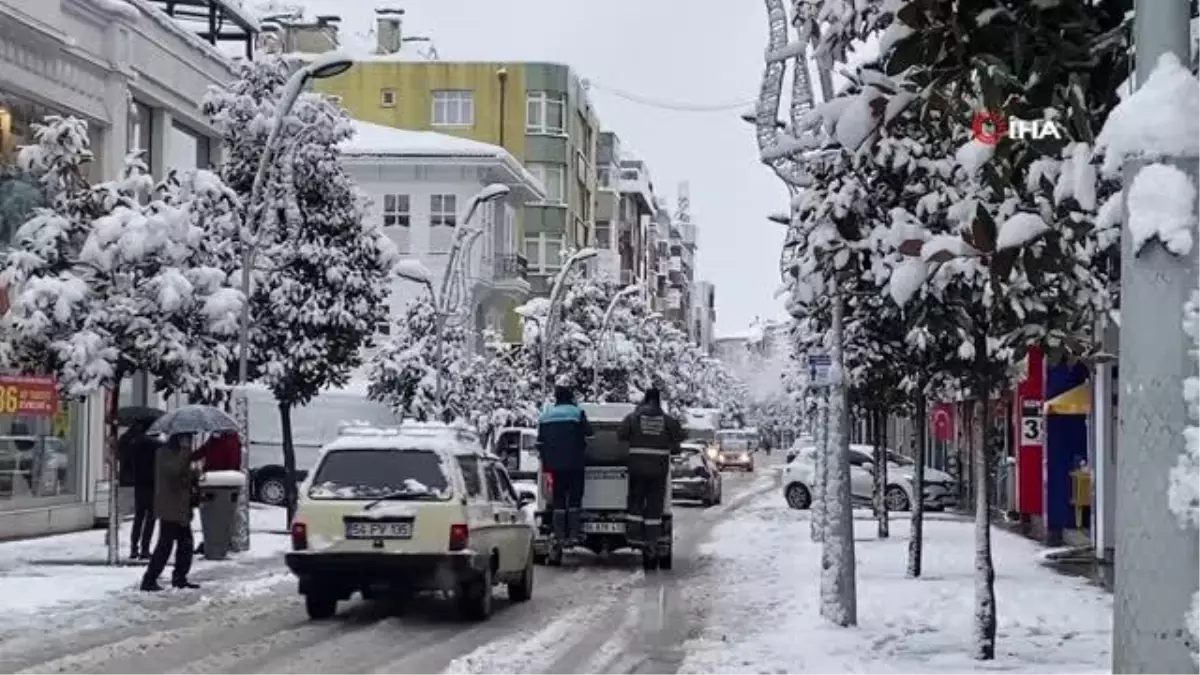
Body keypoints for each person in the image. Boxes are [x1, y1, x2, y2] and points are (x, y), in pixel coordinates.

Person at [618, 387, 685, 550]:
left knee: (636, 501)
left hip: (637, 469)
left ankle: (634, 536)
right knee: (655, 504)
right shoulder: (667, 420)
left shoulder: (633, 418)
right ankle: (652, 540)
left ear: (645, 399)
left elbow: (621, 435)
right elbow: (679, 437)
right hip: (658, 470)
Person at [141, 433, 204, 592]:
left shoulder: (181, 454)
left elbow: (183, 476)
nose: (189, 442)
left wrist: (194, 474)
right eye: (187, 438)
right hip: (170, 506)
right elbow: (174, 472)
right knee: (165, 545)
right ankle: (149, 579)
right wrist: (185, 454)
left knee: (186, 544)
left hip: (182, 505)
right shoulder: (163, 453)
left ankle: (180, 577)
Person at [536, 386, 593, 542]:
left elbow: (540, 440)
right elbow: (589, 432)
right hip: (574, 464)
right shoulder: (577, 413)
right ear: (570, 398)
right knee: (575, 498)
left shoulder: (546, 415)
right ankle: (574, 534)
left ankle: (559, 534)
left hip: (553, 466)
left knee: (558, 498)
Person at [119, 423, 160, 559]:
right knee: (150, 518)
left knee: (139, 517)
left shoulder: (132, 443)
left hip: (138, 484)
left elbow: (126, 462)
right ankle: (145, 549)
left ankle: (134, 548)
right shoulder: (156, 445)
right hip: (152, 484)